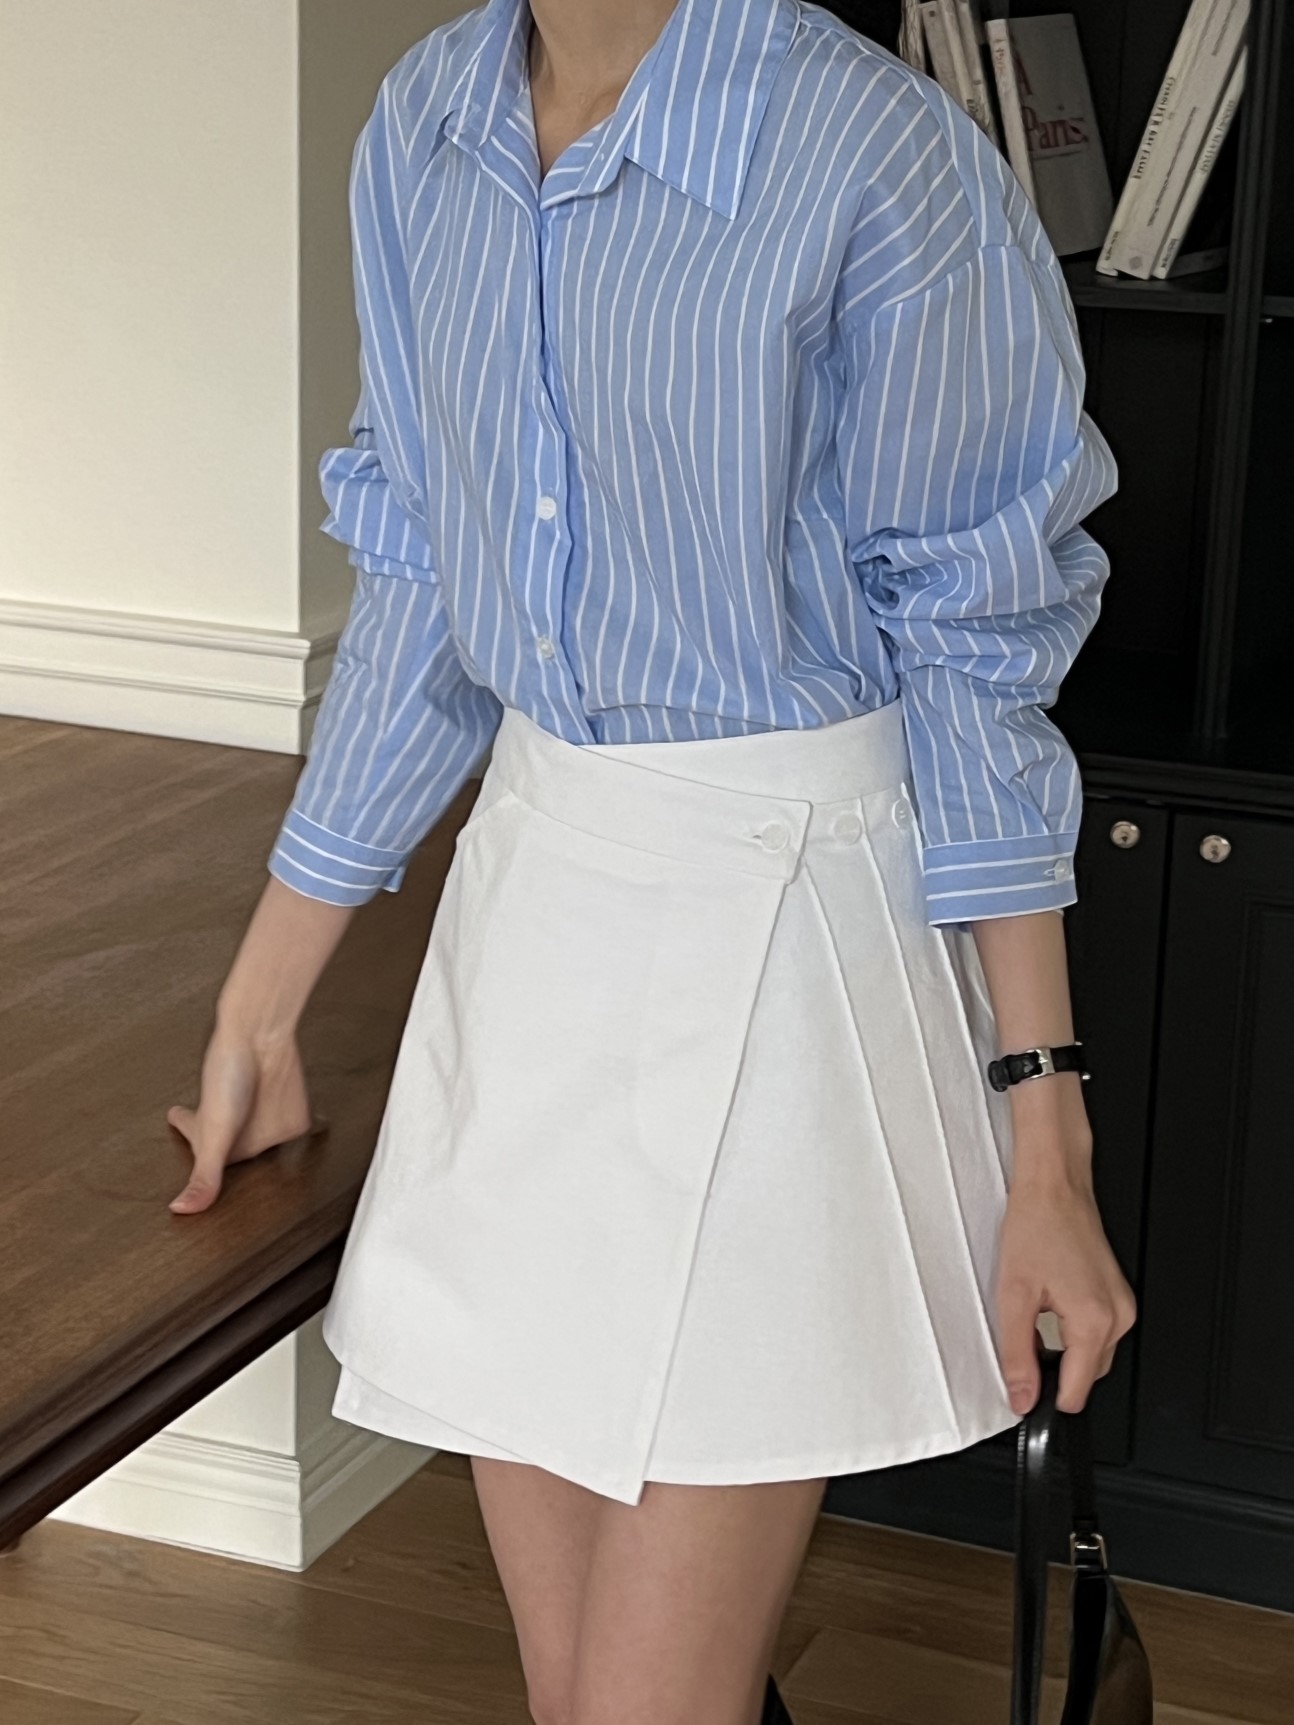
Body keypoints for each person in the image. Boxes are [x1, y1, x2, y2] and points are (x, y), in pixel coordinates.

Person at [166, 2, 1136, 1721]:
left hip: (791, 942)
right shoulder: (424, 126)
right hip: (532, 927)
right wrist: (259, 1004)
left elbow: (974, 650)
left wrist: (1041, 1138)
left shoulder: (870, 149)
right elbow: (424, 575)